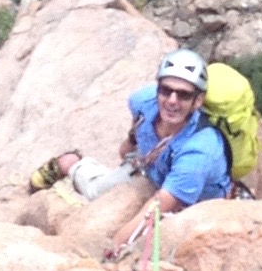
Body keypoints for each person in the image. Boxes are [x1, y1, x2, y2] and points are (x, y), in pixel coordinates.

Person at [98, 47, 230, 259]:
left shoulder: (200, 150)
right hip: (156, 175)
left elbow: (156, 209)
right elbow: (138, 121)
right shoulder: (143, 101)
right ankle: (70, 165)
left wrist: (113, 250)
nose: (172, 100)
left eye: (184, 95)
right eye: (166, 90)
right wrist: (131, 142)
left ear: (198, 101)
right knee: (98, 189)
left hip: (192, 205)